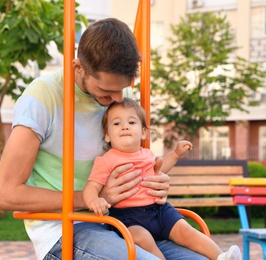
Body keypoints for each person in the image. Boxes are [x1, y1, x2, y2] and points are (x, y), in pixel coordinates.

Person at [0, 18, 211, 260]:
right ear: (79, 68)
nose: (119, 99)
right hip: (68, 227)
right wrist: (94, 197)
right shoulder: (42, 97)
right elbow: (5, 194)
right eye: (107, 91)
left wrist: (154, 181)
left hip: (127, 219)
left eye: (124, 88)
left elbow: (135, 159)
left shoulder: (119, 94)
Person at [83, 98, 242, 260]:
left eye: (131, 122)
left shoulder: (147, 154)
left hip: (159, 210)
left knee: (185, 230)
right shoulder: (107, 160)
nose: (124, 126)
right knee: (141, 239)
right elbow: (92, 186)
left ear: (143, 132)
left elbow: (160, 169)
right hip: (128, 217)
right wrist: (94, 200)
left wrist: (176, 154)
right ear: (107, 135)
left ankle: (221, 256)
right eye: (116, 124)